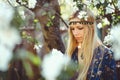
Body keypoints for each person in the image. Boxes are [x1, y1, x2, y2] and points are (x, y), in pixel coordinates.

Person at [66, 8, 117, 80]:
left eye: (80, 28)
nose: (75, 33)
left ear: (91, 27)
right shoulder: (73, 53)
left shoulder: (106, 55)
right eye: (72, 29)